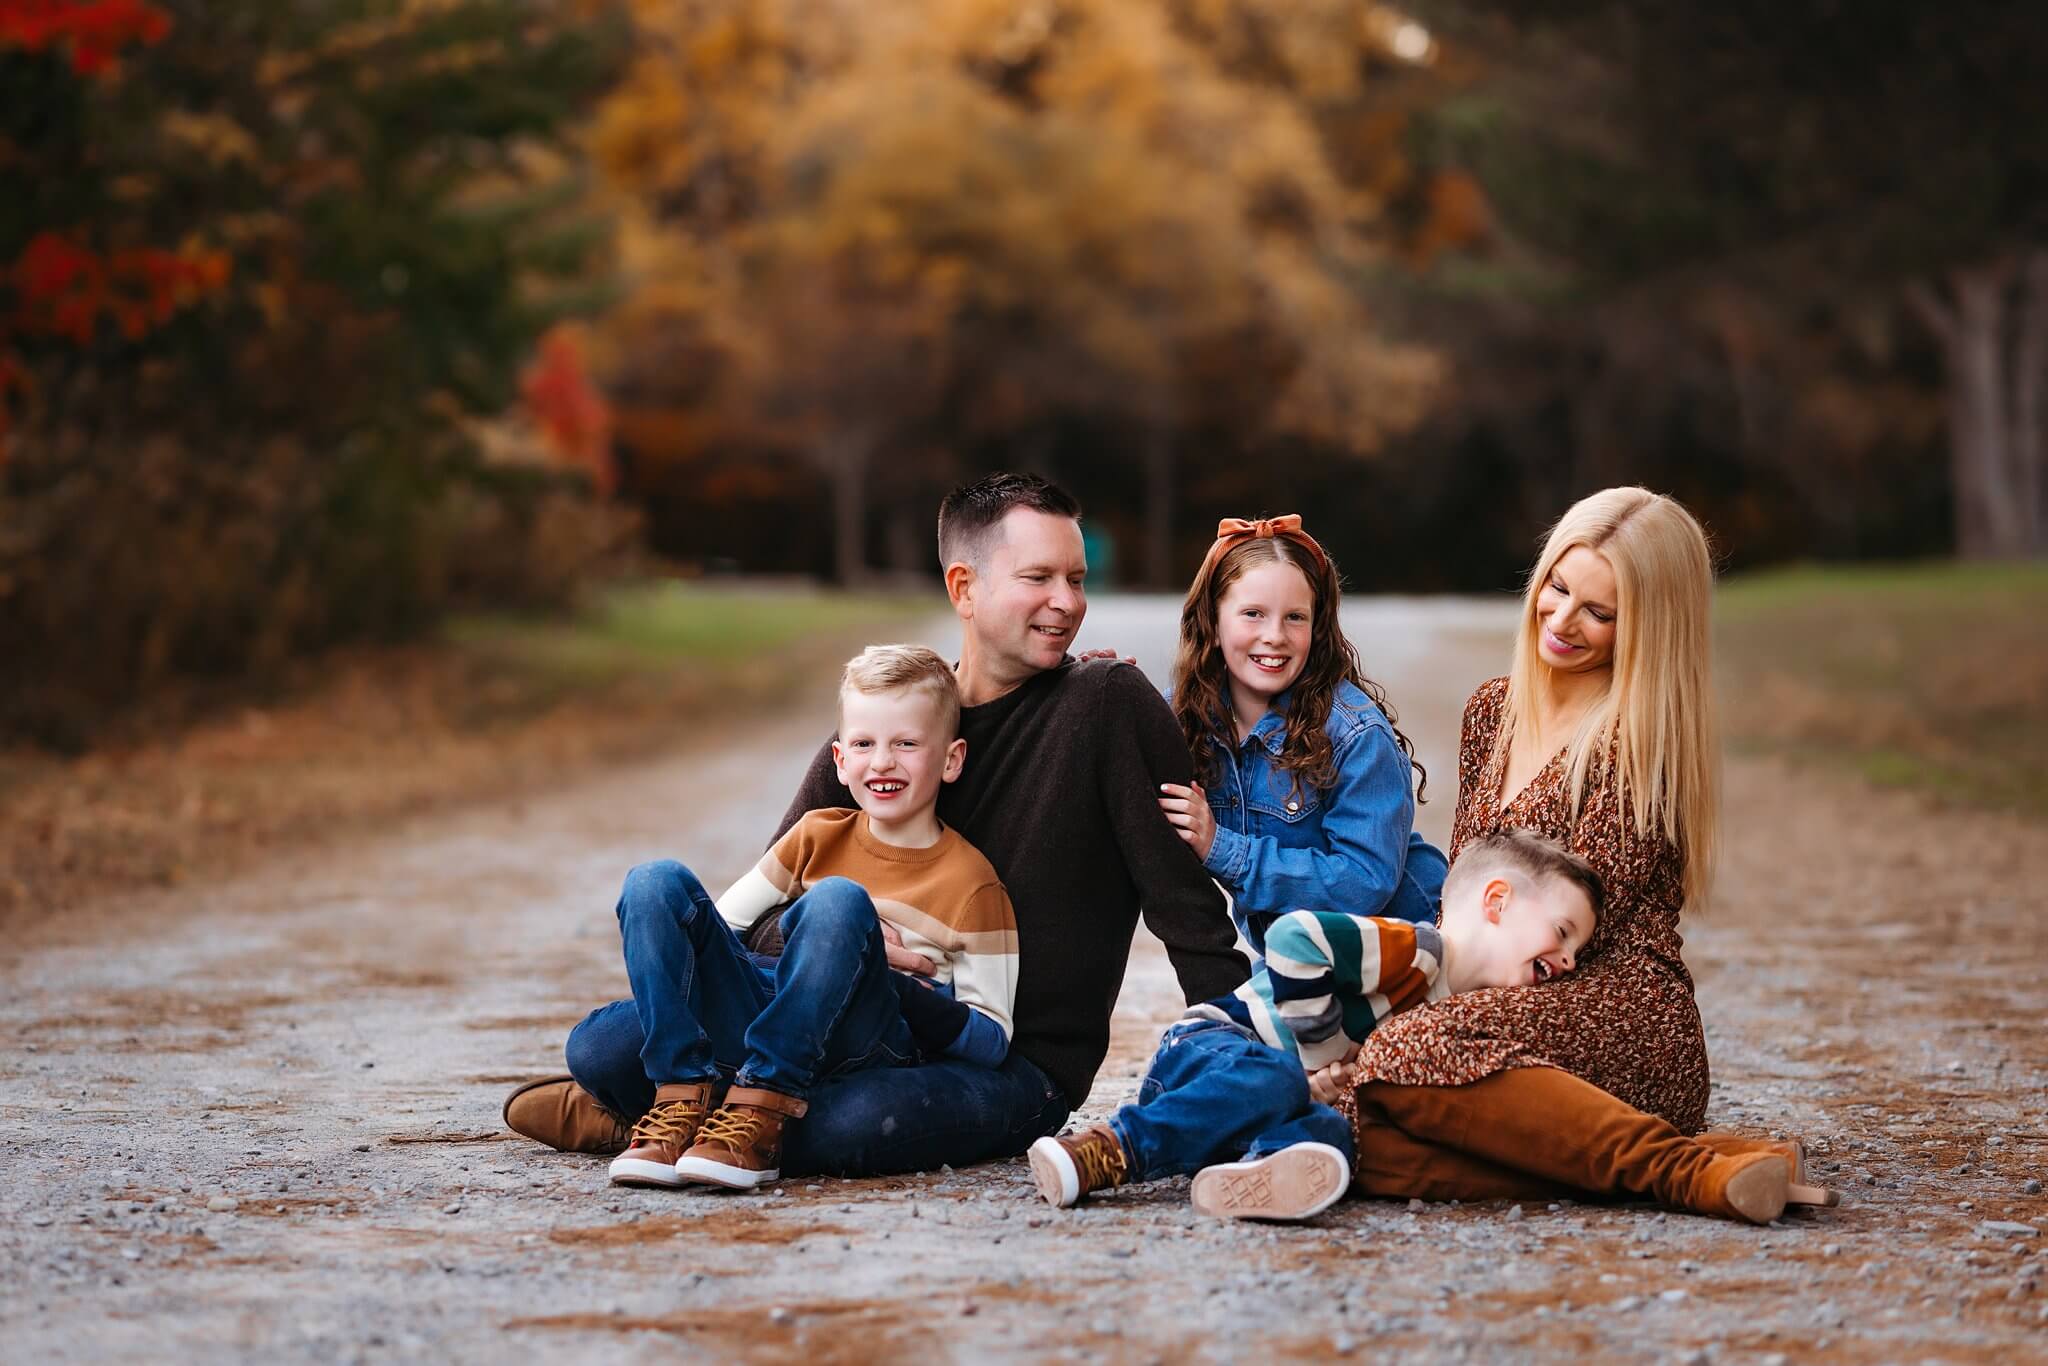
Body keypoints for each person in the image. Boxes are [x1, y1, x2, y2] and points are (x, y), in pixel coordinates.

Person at [502, 473, 1248, 1176]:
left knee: (852, 1126)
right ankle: (700, 1114)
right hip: (832, 1022)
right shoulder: (894, 715)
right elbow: (762, 915)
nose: (1067, 602)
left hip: (1001, 1060)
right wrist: (847, 940)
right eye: (1039, 579)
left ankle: (664, 1123)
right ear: (965, 586)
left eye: (1076, 580)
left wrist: (1250, 1059)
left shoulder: (1106, 704)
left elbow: (1188, 913)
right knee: (602, 1046)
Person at [1251, 486, 1836, 1222]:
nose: (1561, 620)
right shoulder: (1492, 711)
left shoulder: (1637, 743)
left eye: (1600, 611)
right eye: (1557, 587)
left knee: (1398, 1056)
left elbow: (1569, 942)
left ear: (1648, 629)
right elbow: (1470, 901)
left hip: (1618, 1013)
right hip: (1495, 1009)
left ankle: (1678, 1168)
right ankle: (1727, 1162)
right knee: (1359, 1133)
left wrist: (1391, 1032)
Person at [596, 645, 1017, 1191]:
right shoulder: (816, 834)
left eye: (906, 744)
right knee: (653, 882)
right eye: (864, 744)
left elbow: (992, 1040)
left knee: (838, 899)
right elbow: (718, 934)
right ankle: (679, 1098)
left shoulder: (972, 883)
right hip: (776, 1010)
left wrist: (888, 978)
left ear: (951, 759)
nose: (882, 762)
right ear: (840, 761)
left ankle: (761, 1114)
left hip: (871, 1033)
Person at [1027, 829, 1600, 1220]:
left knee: (1331, 1143)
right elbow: (1294, 938)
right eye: (1564, 931)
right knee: (1276, 1079)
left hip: (1258, 1099)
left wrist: (1324, 1082)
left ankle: (1247, 1177)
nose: (1570, 962)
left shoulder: (1452, 1008)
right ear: (1496, 902)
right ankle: (1110, 1149)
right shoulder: (1417, 948)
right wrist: (1319, 1054)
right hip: (1214, 1047)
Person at [1156, 514, 1447, 939]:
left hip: (1402, 937)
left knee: (1250, 1003)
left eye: (1295, 617)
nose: (1275, 635)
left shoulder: (1356, 735)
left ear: (1317, 627)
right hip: (1303, 954)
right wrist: (1102, 685)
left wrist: (1222, 848)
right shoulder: (1186, 715)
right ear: (1212, 625)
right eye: (1253, 614)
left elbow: (1363, 884)